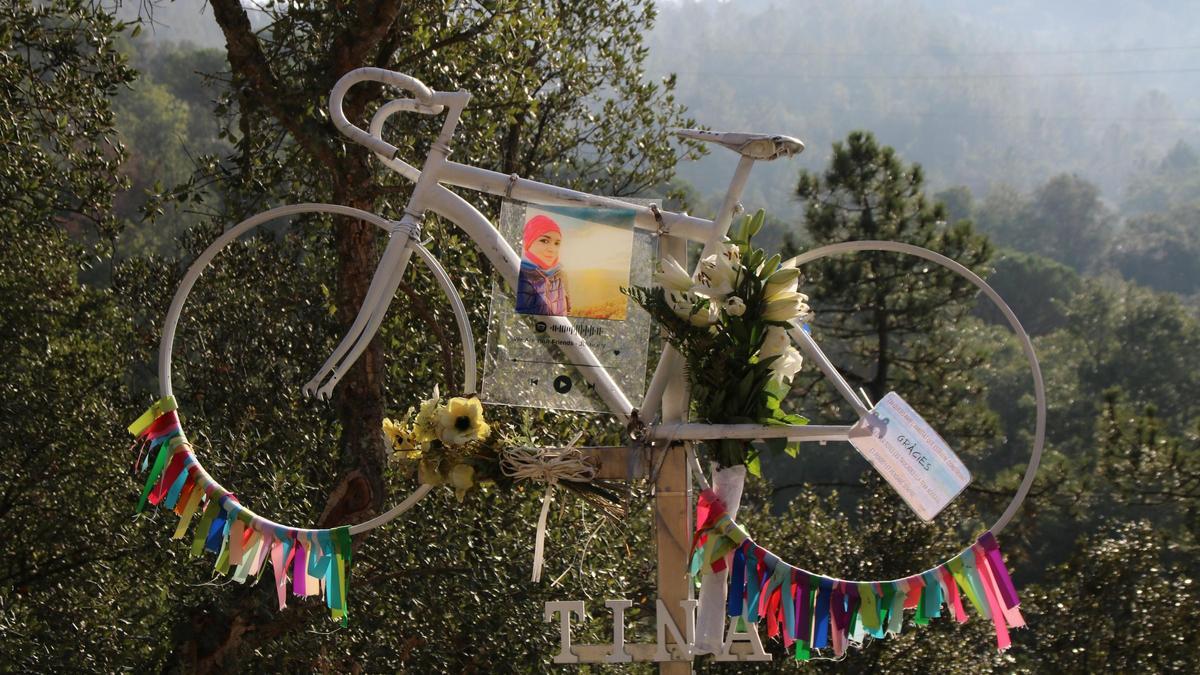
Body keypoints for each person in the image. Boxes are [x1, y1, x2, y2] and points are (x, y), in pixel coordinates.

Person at [516, 214, 570, 316]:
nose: (552, 249)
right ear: (529, 242)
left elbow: (568, 312)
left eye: (556, 243)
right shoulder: (520, 274)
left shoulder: (560, 276)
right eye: (544, 241)